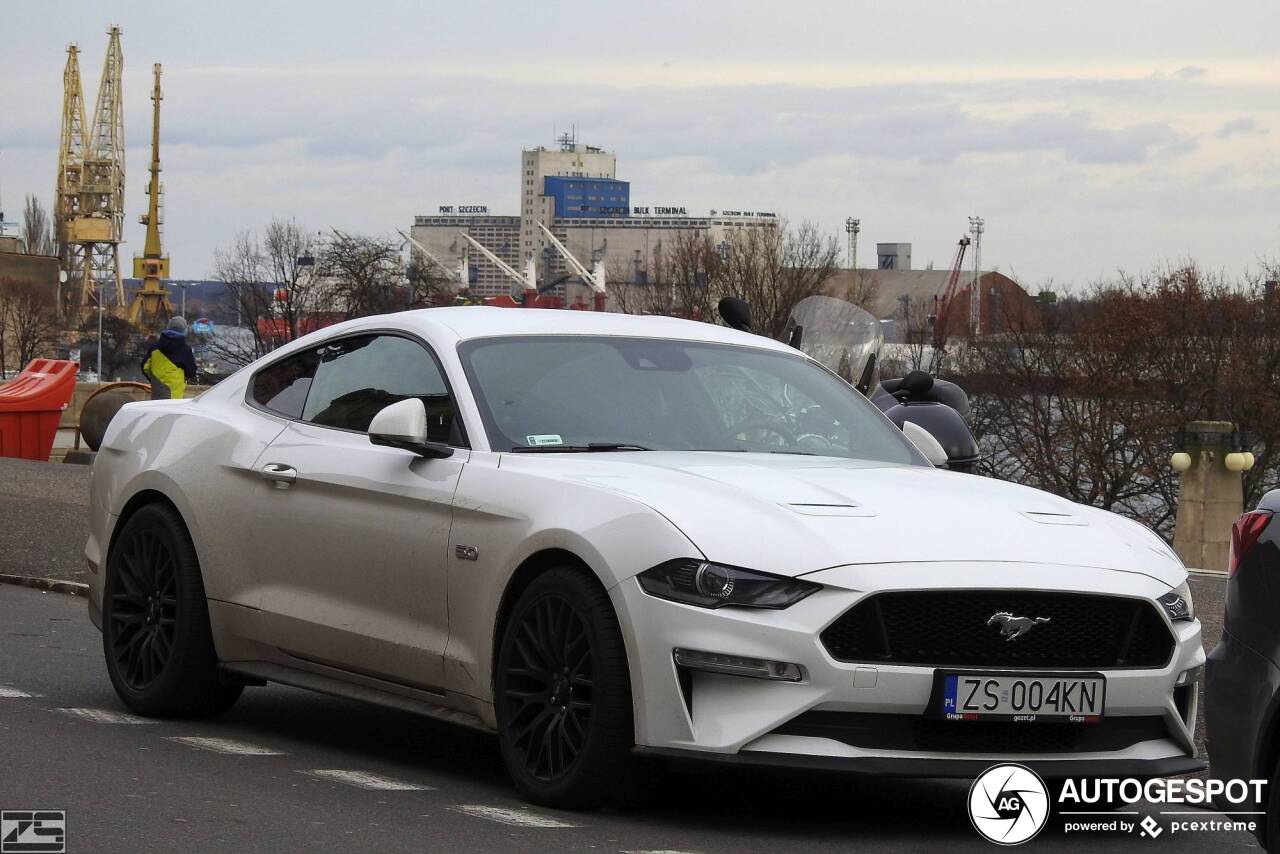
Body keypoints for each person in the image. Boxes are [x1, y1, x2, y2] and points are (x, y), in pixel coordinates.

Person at [141, 316, 198, 400]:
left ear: (168, 328)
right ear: (184, 330)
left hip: (157, 395)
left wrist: (155, 379)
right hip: (175, 398)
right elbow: (191, 372)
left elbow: (145, 367)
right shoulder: (185, 350)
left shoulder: (154, 348)